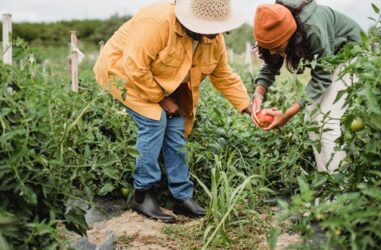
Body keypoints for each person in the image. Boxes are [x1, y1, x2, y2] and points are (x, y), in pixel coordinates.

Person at [93, 0, 251, 223]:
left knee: (176, 124)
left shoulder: (213, 38)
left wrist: (248, 106)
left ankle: (181, 195)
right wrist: (161, 99)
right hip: (122, 73)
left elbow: (223, 75)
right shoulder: (156, 22)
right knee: (155, 120)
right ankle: (142, 193)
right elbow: (134, 67)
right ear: (192, 20)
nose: (216, 35)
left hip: (161, 80)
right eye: (210, 29)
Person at [250, 0, 362, 172]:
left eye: (277, 47)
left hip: (352, 55)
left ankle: (340, 189)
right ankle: (325, 182)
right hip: (331, 60)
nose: (273, 52)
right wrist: (257, 96)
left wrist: (286, 115)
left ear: (291, 35)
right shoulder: (277, 24)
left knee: (327, 121)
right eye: (269, 48)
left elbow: (322, 77)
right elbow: (270, 65)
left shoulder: (312, 29)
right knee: (311, 118)